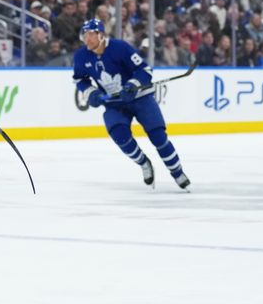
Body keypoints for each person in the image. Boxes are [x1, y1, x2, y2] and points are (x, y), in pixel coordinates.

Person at [73, 18, 190, 190]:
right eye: (85, 35)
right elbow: (80, 80)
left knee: (158, 137)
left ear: (101, 35)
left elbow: (144, 70)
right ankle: (144, 163)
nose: (87, 38)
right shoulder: (81, 56)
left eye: (91, 34)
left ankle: (177, 172)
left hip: (141, 99)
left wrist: (132, 86)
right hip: (114, 104)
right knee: (119, 135)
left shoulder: (120, 47)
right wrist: (92, 93)